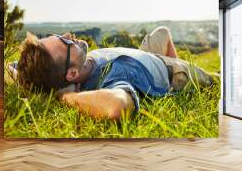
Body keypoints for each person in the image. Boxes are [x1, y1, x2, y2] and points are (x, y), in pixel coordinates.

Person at [12, 26, 217, 120]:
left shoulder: (78, 63)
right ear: (72, 74)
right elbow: (117, 106)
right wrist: (65, 96)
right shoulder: (111, 77)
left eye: (58, 35)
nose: (67, 34)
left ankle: (173, 58)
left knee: (162, 32)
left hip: (144, 56)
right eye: (65, 42)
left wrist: (28, 80)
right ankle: (184, 66)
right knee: (217, 80)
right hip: (173, 72)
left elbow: (11, 68)